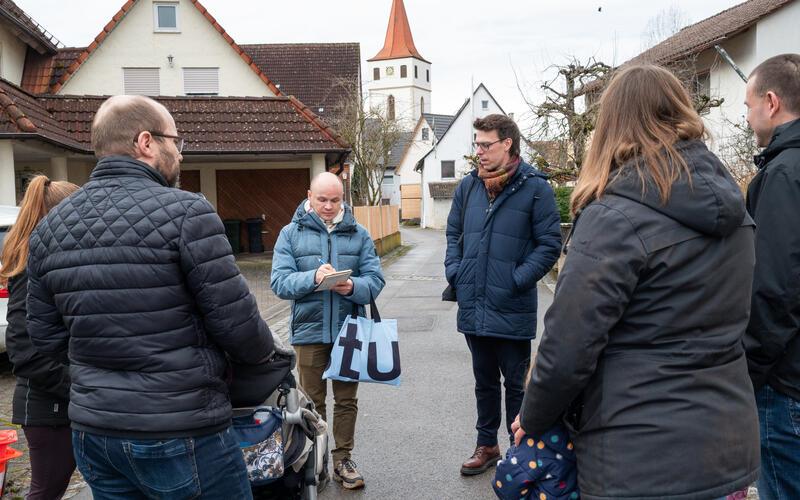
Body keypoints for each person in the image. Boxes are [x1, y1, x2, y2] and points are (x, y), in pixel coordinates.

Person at [514, 64, 760, 500]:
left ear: (611, 126)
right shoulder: (738, 214)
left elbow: (567, 348)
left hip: (636, 460)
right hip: (726, 450)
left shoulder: (612, 218)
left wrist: (532, 417)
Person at [25, 95, 274, 500]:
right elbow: (240, 328)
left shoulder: (49, 228)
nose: (179, 152)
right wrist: (264, 357)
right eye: (176, 141)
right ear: (146, 142)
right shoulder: (187, 213)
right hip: (180, 430)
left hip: (96, 433)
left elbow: (46, 338)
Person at [445, 114, 562, 476]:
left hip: (511, 304)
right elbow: (453, 234)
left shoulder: (536, 188)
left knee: (516, 384)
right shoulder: (469, 187)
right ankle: (487, 445)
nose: (478, 151)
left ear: (507, 143)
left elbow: (550, 245)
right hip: (474, 302)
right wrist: (456, 271)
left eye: (485, 144)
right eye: (476, 144)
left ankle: (519, 449)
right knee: (483, 381)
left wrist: (516, 279)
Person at [270, 172, 385, 490]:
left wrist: (352, 287)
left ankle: (342, 460)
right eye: (322, 199)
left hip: (349, 330)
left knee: (347, 399)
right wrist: (313, 279)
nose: (329, 206)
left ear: (343, 198)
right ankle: (316, 460)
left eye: (335, 200)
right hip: (309, 332)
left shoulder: (359, 234)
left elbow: (375, 280)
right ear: (309, 195)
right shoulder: (290, 234)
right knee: (312, 402)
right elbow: (279, 283)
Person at [743, 53, 800, 500]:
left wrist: (749, 369)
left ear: (771, 102)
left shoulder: (783, 174)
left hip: (785, 382)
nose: (746, 117)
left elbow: (773, 288)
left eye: (747, 106)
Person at [0, 175, 78, 500]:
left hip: (66, 406)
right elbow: (23, 349)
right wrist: (79, 385)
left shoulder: (58, 260)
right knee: (46, 492)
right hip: (50, 411)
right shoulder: (32, 266)